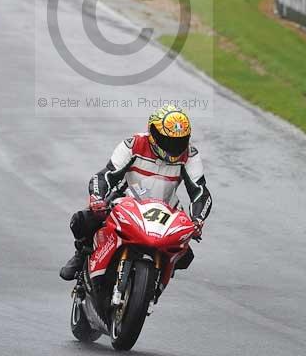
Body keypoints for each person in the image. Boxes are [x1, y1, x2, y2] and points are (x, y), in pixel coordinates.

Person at [59, 104, 212, 280]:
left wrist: (198, 219)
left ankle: (156, 279)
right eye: (167, 140)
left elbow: (201, 192)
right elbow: (105, 175)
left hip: (166, 211)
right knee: (83, 220)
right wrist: (97, 198)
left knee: (185, 256)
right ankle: (82, 253)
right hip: (128, 202)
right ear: (153, 133)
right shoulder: (134, 144)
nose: (174, 146)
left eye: (180, 141)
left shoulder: (190, 154)